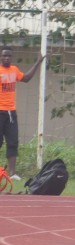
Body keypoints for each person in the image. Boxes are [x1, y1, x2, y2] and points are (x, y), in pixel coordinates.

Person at [0, 47, 46, 180]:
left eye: (9, 56)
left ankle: (12, 173)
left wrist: (37, 63)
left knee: (13, 142)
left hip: (11, 113)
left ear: (12, 58)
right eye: (4, 56)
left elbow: (26, 78)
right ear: (1, 58)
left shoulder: (14, 70)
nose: (6, 58)